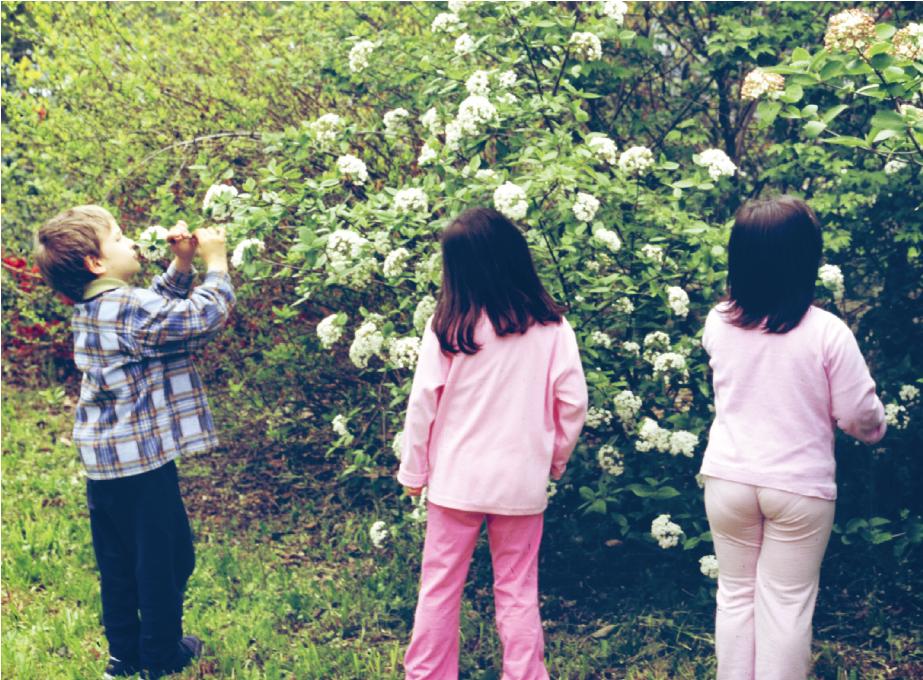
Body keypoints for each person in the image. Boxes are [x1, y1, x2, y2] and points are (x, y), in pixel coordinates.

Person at [34, 205, 236, 679]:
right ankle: (161, 654)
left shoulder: (96, 306)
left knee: (121, 565)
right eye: (119, 237)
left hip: (105, 468)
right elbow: (196, 318)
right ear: (96, 263)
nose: (131, 243)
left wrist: (181, 266)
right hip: (144, 467)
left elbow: (152, 313)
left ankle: (124, 658)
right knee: (166, 560)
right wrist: (216, 263)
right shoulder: (128, 308)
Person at [699, 195, 887, 680]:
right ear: (807, 259)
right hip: (798, 487)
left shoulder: (718, 322)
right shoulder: (827, 332)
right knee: (784, 604)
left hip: (728, 478)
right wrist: (875, 430)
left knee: (736, 596)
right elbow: (857, 414)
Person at [397, 207, 588, 679]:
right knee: (518, 588)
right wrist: (554, 460)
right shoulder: (552, 329)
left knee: (439, 586)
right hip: (521, 482)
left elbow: (423, 405)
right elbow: (573, 404)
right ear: (515, 257)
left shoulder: (448, 330)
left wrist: (413, 473)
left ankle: (427, 674)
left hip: (456, 482)